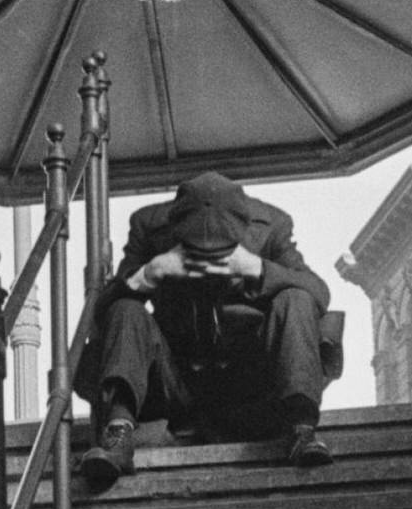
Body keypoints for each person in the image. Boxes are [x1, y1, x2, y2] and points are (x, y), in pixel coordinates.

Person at [78, 170, 340, 490]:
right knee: (126, 308)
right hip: (174, 380)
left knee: (297, 299)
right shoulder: (149, 226)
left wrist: (256, 269)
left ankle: (301, 429)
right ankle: (118, 434)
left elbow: (319, 291)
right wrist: (149, 273)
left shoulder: (272, 226)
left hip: (248, 381)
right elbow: (103, 311)